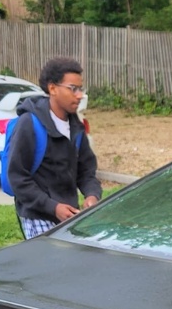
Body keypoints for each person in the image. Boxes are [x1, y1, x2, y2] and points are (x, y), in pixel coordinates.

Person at [8, 56, 102, 239]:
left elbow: (86, 172)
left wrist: (92, 196)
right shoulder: (29, 124)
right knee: (48, 266)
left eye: (80, 89)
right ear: (52, 88)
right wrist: (53, 207)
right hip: (37, 215)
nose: (79, 95)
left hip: (69, 215)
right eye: (72, 89)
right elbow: (17, 177)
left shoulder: (76, 126)